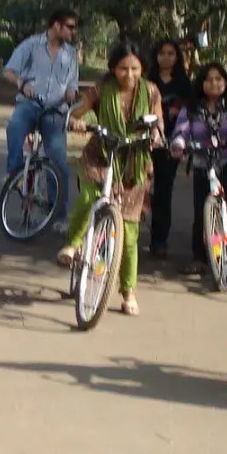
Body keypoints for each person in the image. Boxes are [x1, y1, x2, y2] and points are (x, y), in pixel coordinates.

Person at [58, 41, 163, 315]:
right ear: (113, 69)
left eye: (135, 69)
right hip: (101, 155)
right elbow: (77, 111)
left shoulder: (151, 91)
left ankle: (128, 291)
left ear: (142, 69)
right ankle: (73, 245)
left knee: (129, 234)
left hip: (134, 163)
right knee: (89, 198)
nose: (129, 75)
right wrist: (76, 122)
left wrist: (156, 134)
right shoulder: (101, 90)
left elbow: (158, 121)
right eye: (123, 69)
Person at [170, 62, 227, 275]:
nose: (214, 83)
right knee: (201, 211)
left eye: (219, 79)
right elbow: (182, 130)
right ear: (201, 83)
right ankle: (199, 258)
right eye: (208, 79)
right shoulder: (191, 108)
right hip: (203, 161)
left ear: (225, 82)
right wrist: (179, 143)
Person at [3, 9, 80, 225]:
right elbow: (8, 71)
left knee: (58, 163)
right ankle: (15, 172)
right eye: (70, 27)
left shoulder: (71, 54)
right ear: (56, 25)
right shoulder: (31, 45)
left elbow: (72, 83)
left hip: (55, 109)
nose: (73, 32)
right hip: (30, 103)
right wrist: (22, 84)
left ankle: (59, 215)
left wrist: (71, 94)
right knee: (15, 126)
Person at [146, 38, 191, 258]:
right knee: (138, 187)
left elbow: (190, 110)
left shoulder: (184, 83)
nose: (166, 57)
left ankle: (159, 241)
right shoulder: (147, 80)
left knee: (164, 191)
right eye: (162, 53)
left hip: (171, 143)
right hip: (145, 141)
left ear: (177, 57)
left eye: (171, 53)